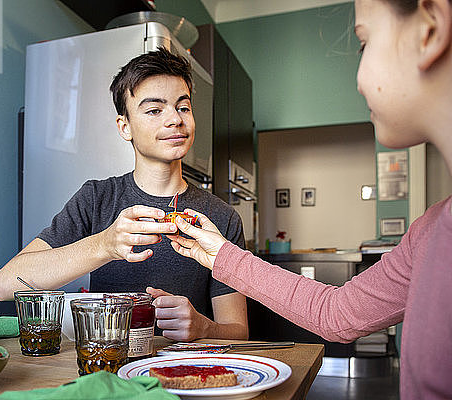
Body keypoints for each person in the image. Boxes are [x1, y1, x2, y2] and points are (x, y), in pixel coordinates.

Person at [167, 0, 452, 398]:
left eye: (363, 43)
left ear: (430, 28)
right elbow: (337, 313)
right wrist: (218, 254)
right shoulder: (429, 232)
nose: (358, 79)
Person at [0, 47, 248, 341]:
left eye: (183, 107)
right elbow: (5, 285)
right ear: (124, 127)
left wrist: (205, 327)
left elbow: (239, 332)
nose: (175, 119)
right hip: (107, 367)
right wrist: (105, 245)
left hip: (184, 372)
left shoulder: (222, 217)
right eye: (154, 110)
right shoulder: (96, 199)